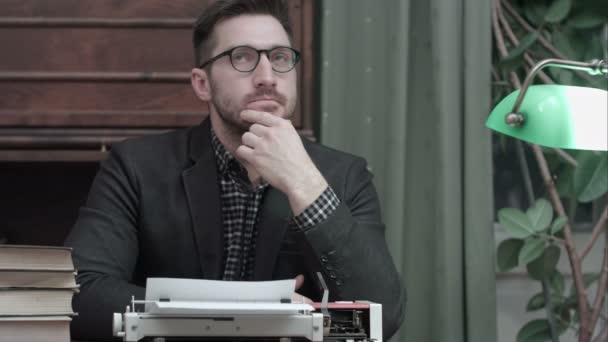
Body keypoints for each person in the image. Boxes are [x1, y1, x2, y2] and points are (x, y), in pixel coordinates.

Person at [65, 0, 405, 340]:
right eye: (242, 58)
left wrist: (305, 183)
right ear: (203, 84)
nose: (267, 77)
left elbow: (378, 320)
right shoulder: (135, 167)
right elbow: (81, 297)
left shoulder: (344, 176)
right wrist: (257, 311)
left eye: (280, 58)